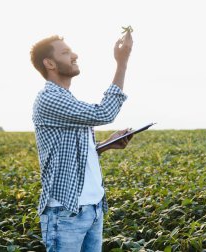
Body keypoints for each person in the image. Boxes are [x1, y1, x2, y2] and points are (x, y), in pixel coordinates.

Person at [30, 30, 133, 251]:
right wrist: (122, 63)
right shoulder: (50, 98)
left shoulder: (66, 99)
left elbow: (72, 153)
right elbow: (104, 113)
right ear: (49, 63)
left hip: (93, 208)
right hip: (66, 212)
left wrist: (105, 145)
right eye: (66, 52)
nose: (74, 55)